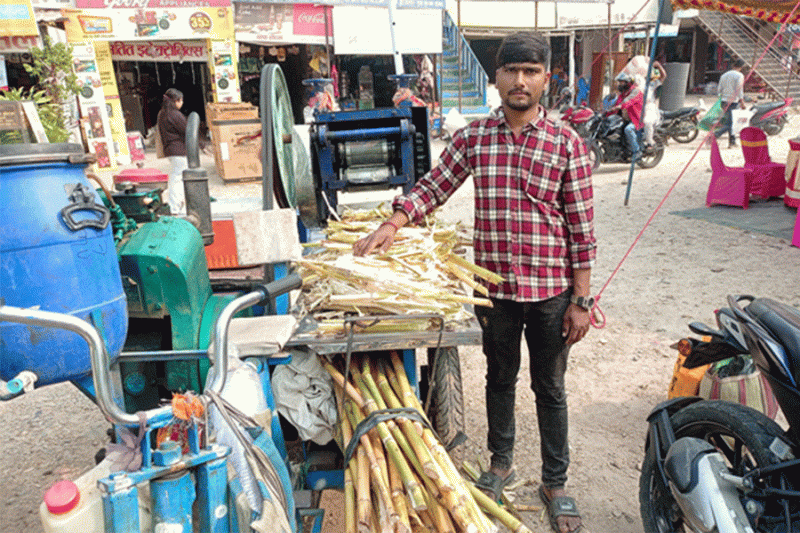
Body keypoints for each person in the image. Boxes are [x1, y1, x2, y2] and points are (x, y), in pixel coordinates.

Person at [353, 30, 595, 533]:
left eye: (531, 72)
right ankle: (500, 464)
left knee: (550, 387)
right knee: (498, 379)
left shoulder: (566, 143)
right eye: (512, 71)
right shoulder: (474, 138)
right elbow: (435, 187)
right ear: (497, 77)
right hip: (494, 291)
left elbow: (582, 228)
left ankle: (557, 481)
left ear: (545, 80)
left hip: (550, 293)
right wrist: (394, 222)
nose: (521, 81)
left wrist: (582, 299)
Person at [157, 88, 188, 216]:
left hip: (170, 150)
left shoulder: (162, 114)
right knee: (177, 178)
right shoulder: (175, 115)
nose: (182, 103)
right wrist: (202, 145)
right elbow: (187, 131)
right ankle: (174, 207)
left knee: (177, 177)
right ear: (176, 101)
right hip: (178, 150)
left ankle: (178, 203)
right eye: (181, 100)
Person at [608, 71, 644, 161]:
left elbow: (628, 101)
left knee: (628, 129)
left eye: (622, 82)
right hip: (626, 119)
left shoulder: (636, 91)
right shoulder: (623, 94)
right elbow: (616, 104)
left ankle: (637, 151)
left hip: (637, 119)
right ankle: (625, 151)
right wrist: (606, 112)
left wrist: (620, 106)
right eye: (619, 82)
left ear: (628, 82)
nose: (619, 84)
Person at [715, 60, 746, 148]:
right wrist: (742, 101)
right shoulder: (739, 76)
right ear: (741, 67)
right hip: (733, 102)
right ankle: (715, 135)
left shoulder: (724, 75)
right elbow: (739, 89)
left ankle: (732, 142)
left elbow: (719, 90)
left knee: (730, 121)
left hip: (724, 101)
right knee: (731, 123)